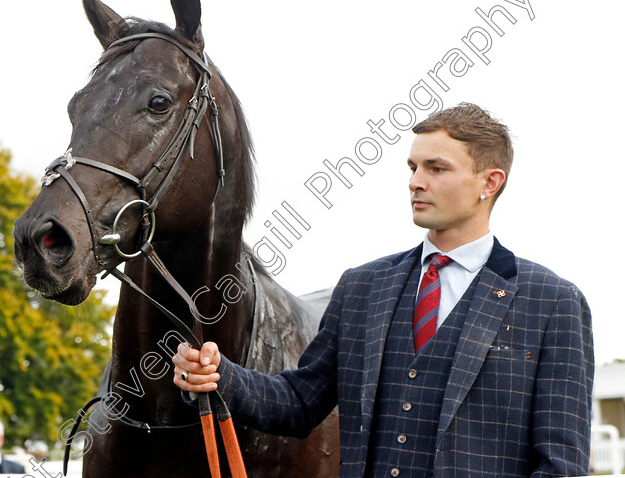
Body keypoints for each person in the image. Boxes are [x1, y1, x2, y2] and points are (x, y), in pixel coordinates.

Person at [174, 103, 594, 478]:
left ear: (490, 182)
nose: (416, 182)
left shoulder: (551, 302)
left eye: (437, 168)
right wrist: (219, 375)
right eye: (412, 168)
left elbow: (560, 463)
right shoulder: (362, 287)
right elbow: (300, 402)